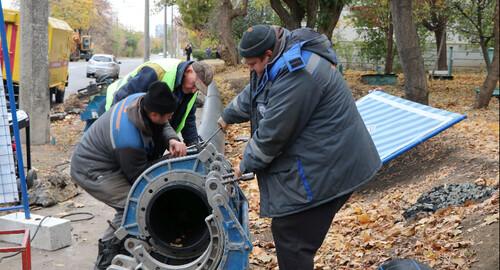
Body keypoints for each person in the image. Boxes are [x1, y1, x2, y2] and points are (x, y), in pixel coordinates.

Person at [217, 25, 382, 269]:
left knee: (292, 236)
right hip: (323, 154)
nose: (249, 69)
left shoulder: (297, 72)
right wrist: (227, 116)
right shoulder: (277, 62)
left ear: (269, 54)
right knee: (290, 231)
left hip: (334, 161)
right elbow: (255, 92)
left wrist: (244, 166)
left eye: (252, 64)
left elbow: (273, 134)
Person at [71, 81, 188, 270]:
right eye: (168, 115)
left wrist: (171, 138)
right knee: (132, 206)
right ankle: (107, 256)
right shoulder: (128, 139)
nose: (170, 118)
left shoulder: (143, 99)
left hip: (113, 159)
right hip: (92, 169)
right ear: (153, 114)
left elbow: (163, 122)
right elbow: (140, 180)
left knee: (138, 204)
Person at [104, 58, 213, 146]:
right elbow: (123, 100)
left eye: (198, 88)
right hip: (114, 110)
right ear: (188, 71)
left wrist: (194, 145)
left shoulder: (190, 90)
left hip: (154, 132)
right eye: (194, 84)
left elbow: (188, 120)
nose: (194, 90)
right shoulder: (156, 72)